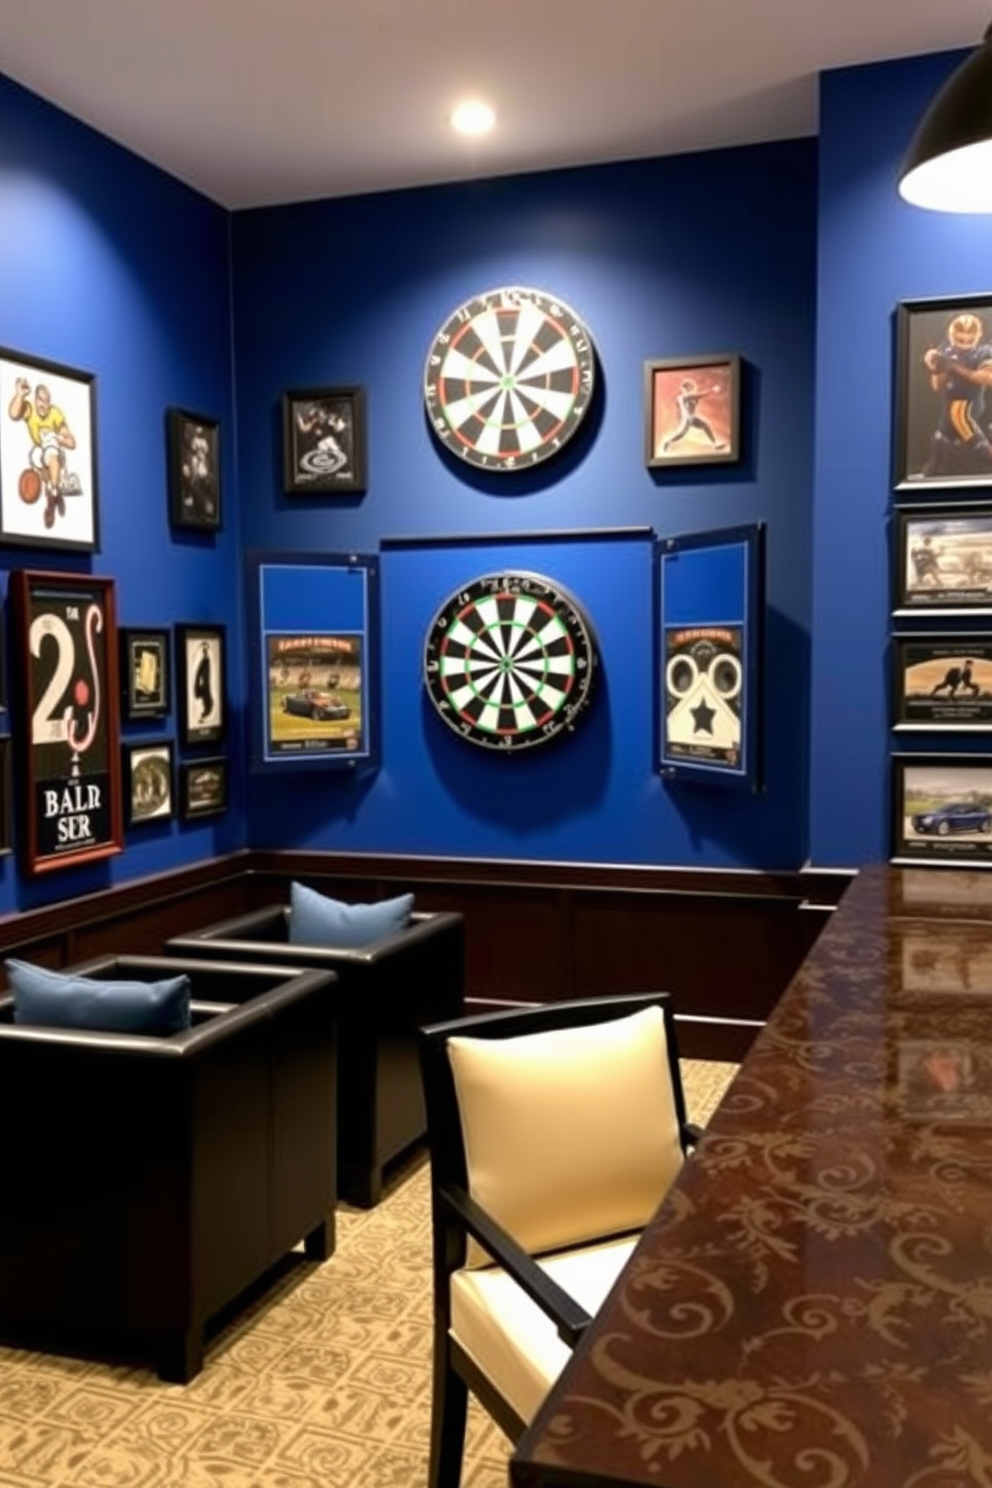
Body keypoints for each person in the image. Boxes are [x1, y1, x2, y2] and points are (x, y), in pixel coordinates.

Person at [919, 312, 992, 478]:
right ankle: (934, 468)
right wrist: (936, 367)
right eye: (960, 340)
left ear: (978, 336)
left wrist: (955, 368)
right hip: (949, 403)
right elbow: (937, 386)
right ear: (952, 336)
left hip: (970, 402)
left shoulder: (984, 352)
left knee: (959, 416)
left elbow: (988, 378)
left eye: (969, 340)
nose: (965, 345)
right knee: (943, 435)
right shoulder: (945, 350)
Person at [7, 377, 82, 530]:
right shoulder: (29, 409)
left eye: (47, 401)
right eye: (41, 400)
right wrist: (20, 395)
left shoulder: (55, 413)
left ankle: (51, 500)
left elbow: (72, 443)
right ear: (35, 400)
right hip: (39, 449)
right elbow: (13, 414)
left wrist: (60, 439)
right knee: (35, 457)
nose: (44, 405)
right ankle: (56, 491)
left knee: (51, 453)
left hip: (55, 450)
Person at [662, 379, 727, 453]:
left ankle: (716, 444)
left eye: (692, 387)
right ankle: (667, 442)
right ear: (686, 389)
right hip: (687, 419)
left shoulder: (689, 396)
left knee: (705, 425)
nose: (692, 389)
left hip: (692, 417)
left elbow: (695, 398)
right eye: (690, 388)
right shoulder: (684, 396)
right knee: (681, 434)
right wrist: (712, 390)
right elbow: (699, 395)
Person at [193, 641, 214, 723]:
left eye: (205, 650)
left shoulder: (207, 661)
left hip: (205, 685)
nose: (204, 651)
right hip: (203, 685)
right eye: (203, 650)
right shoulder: (203, 661)